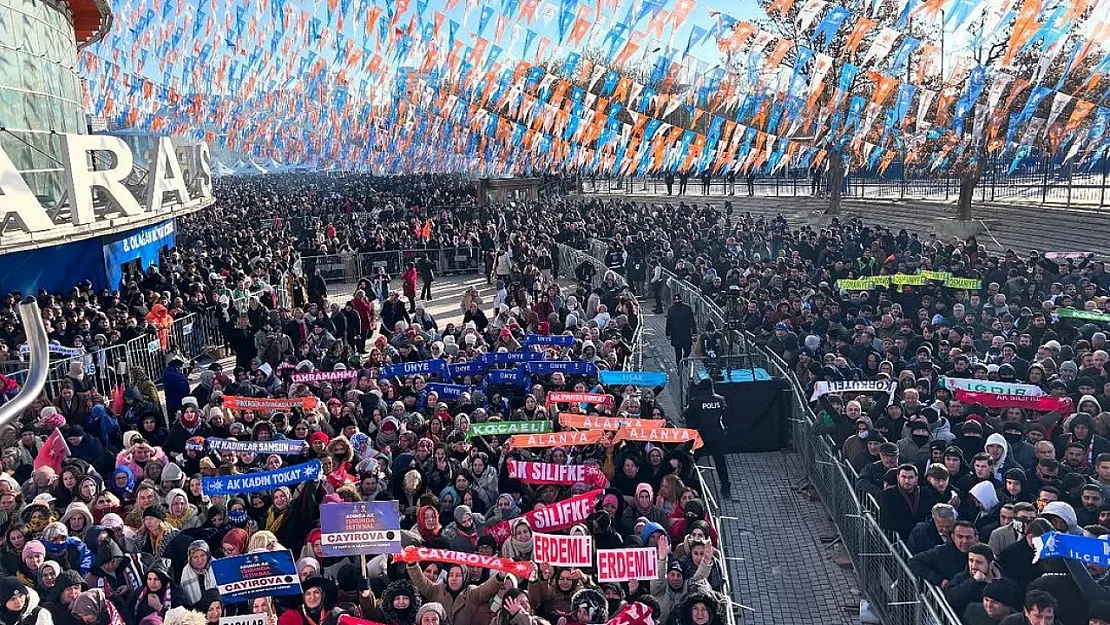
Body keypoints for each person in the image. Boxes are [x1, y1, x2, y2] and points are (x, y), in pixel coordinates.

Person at [682, 379, 731, 497]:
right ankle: (725, 488)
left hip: (700, 437)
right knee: (720, 463)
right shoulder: (720, 400)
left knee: (689, 459)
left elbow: (687, 414)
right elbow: (726, 416)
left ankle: (684, 482)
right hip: (716, 436)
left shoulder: (695, 401)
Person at [666, 295, 696, 365]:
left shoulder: (687, 308)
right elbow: (669, 322)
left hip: (686, 333)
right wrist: (668, 333)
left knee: (688, 350)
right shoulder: (671, 310)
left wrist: (694, 332)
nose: (677, 302)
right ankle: (679, 367)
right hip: (676, 334)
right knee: (678, 353)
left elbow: (692, 321)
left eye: (678, 300)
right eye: (675, 300)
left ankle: (685, 357)